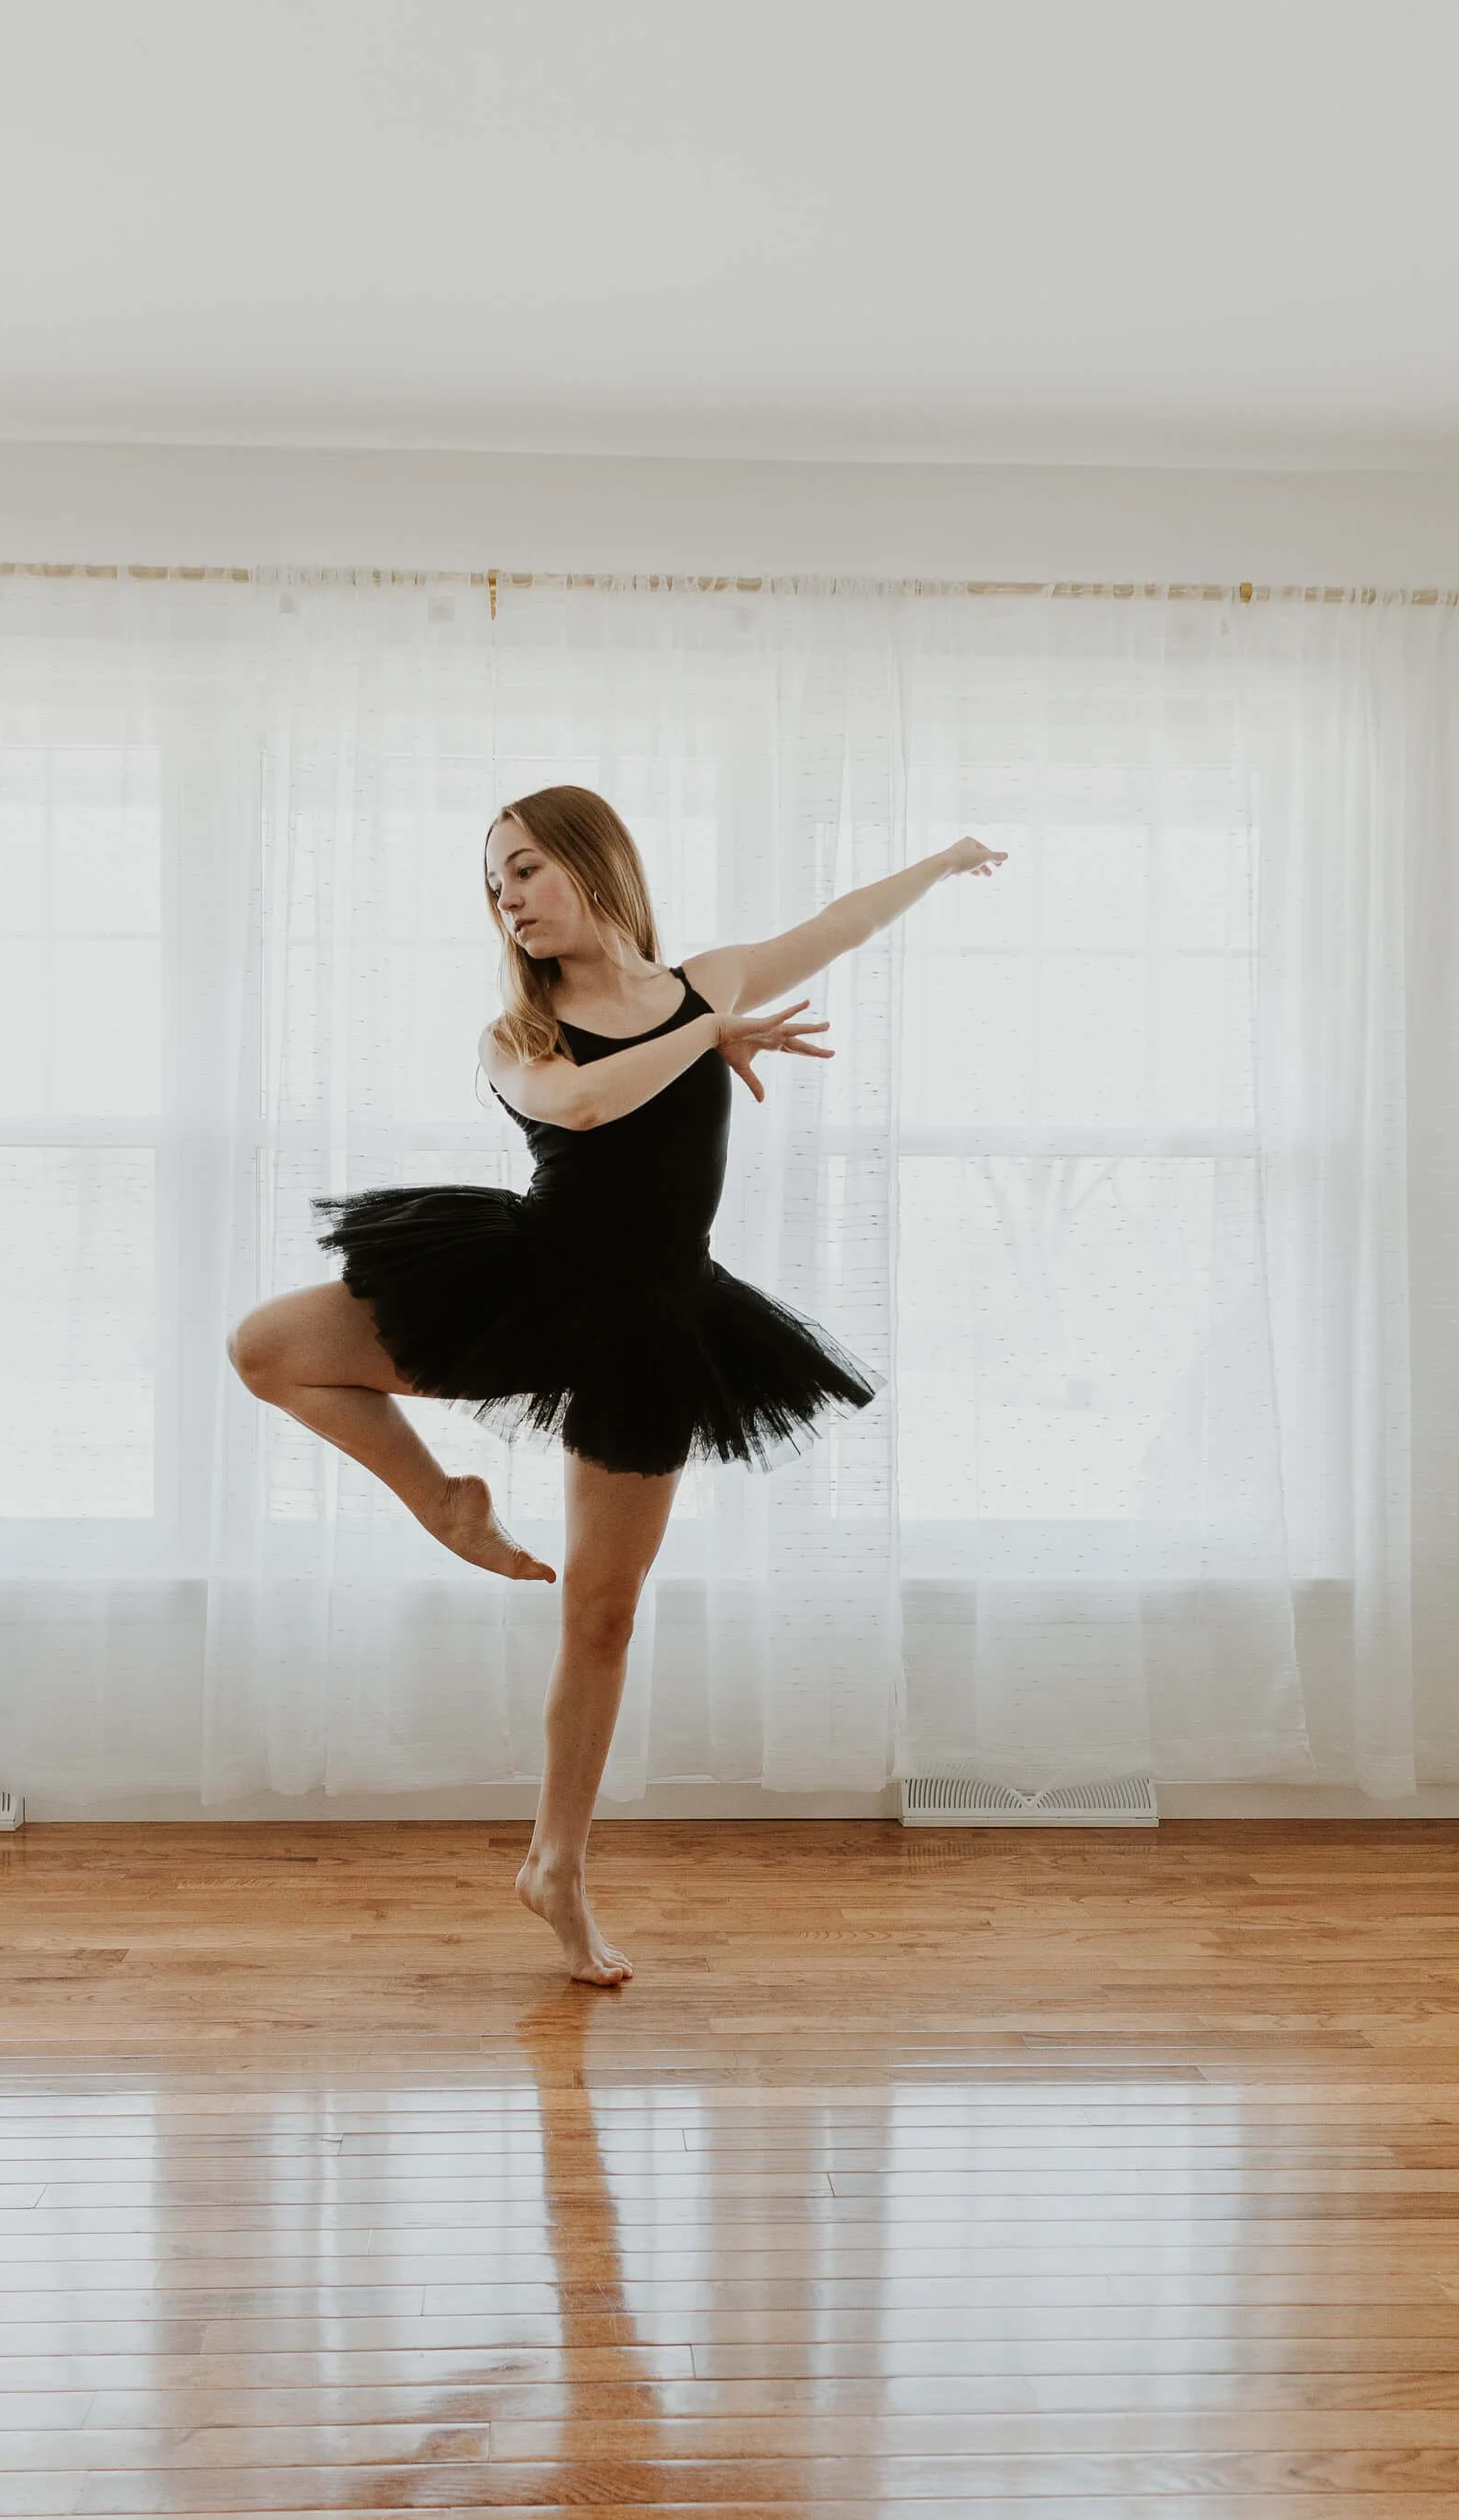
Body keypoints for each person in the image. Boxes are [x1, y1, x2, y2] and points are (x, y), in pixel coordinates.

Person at [229, 787, 1006, 1983]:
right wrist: (710, 1038)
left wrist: (945, 860)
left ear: (592, 864)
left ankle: (559, 1868)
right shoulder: (520, 1038)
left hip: (653, 1322)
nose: (510, 899)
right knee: (267, 1346)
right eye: (495, 884)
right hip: (527, 1285)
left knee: (601, 1614)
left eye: (526, 869)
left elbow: (843, 920)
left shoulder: (712, 978)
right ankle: (444, 1503)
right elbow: (587, 1103)